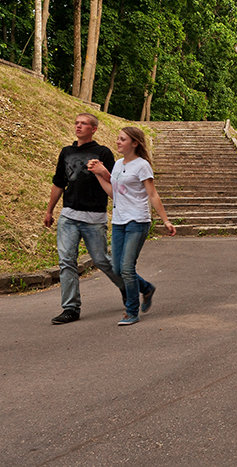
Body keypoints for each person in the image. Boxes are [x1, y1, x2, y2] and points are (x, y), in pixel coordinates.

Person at [87, 126, 176, 326]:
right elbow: (114, 193)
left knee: (127, 268)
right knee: (118, 268)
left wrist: (165, 220)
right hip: (119, 221)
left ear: (134, 143)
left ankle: (131, 311)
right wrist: (98, 174)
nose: (118, 142)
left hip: (138, 220)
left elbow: (152, 194)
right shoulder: (118, 165)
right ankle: (146, 288)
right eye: (118, 138)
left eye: (122, 139)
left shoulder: (142, 165)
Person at [44, 113, 123, 325]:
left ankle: (128, 288)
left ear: (93, 129)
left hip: (94, 216)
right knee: (66, 261)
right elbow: (59, 183)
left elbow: (115, 183)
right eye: (77, 123)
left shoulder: (103, 152)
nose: (79, 127)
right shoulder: (66, 152)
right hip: (68, 215)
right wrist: (49, 210)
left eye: (84, 124)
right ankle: (70, 308)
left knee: (101, 260)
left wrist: (103, 170)